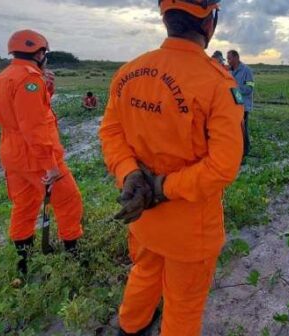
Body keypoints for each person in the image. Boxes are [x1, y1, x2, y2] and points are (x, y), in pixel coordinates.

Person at [98, 0, 243, 335]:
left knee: (144, 273)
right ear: (210, 23)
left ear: (165, 19)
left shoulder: (129, 72)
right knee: (183, 307)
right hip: (191, 229)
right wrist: (162, 188)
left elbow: (111, 132)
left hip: (144, 218)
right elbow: (223, 167)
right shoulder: (218, 83)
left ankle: (129, 328)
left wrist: (130, 174)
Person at [0, 30, 84, 275]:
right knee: (68, 201)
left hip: (13, 155)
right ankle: (74, 255)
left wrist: (47, 90)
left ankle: (23, 263)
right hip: (36, 158)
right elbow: (33, 127)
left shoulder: (1, 78)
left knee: (24, 205)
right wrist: (50, 165)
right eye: (45, 53)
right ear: (39, 53)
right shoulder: (30, 81)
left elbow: (17, 113)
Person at [227, 49, 254, 157]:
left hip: (243, 104)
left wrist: (236, 89)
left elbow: (250, 88)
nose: (228, 61)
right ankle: (237, 149)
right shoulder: (229, 71)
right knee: (234, 128)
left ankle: (245, 150)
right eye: (227, 58)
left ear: (236, 58)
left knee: (243, 128)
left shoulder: (247, 70)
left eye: (230, 58)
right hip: (232, 105)